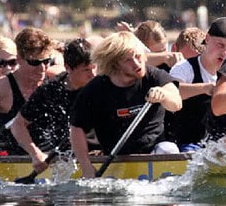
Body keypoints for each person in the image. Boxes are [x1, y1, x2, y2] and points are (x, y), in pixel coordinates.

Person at [70, 31, 182, 178]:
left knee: (169, 149)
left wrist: (164, 95)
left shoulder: (154, 76)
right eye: (128, 60)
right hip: (116, 159)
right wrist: (85, 165)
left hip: (154, 152)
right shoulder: (95, 89)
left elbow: (176, 103)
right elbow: (76, 128)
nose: (137, 63)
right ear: (115, 64)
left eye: (138, 56)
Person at [10, 38, 97, 173]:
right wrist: (35, 154)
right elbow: (17, 125)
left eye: (94, 68)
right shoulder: (50, 90)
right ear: (68, 68)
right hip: (62, 157)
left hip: (96, 153)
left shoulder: (100, 86)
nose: (93, 75)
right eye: (86, 70)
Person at [168, 18, 226, 151]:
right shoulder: (184, 68)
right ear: (207, 39)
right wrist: (205, 88)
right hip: (188, 144)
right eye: (220, 45)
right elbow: (171, 91)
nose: (224, 53)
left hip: (222, 143)